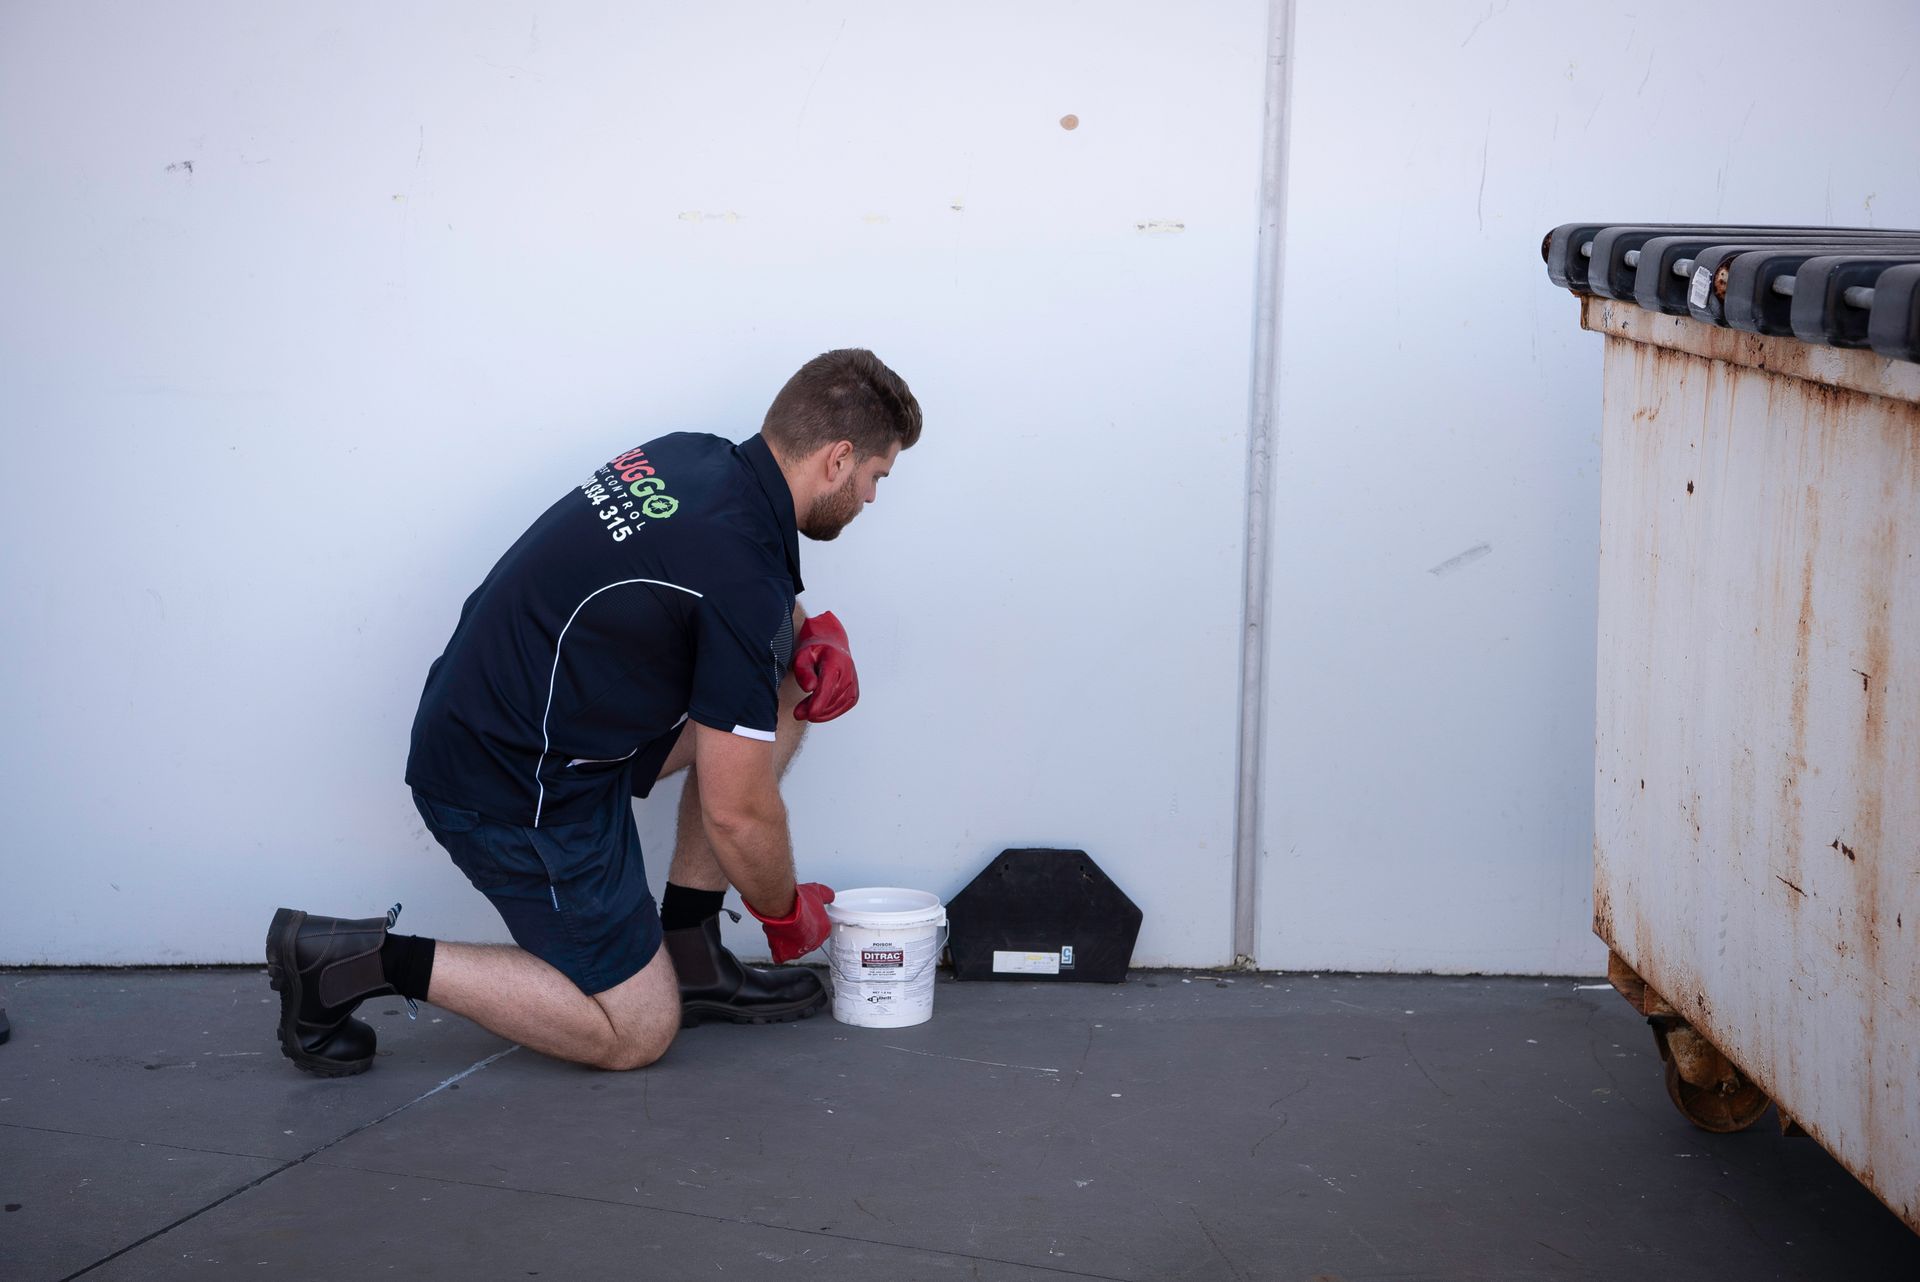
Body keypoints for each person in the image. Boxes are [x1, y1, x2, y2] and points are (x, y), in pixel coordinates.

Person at [265, 349, 921, 1076]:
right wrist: (783, 908)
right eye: (874, 477)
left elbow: (719, 582)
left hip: (525, 722)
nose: (869, 499)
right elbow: (737, 811)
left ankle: (692, 950)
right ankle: (354, 962)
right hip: (512, 786)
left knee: (787, 685)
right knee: (636, 1032)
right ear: (837, 459)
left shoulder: (695, 459)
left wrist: (809, 635)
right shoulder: (741, 572)